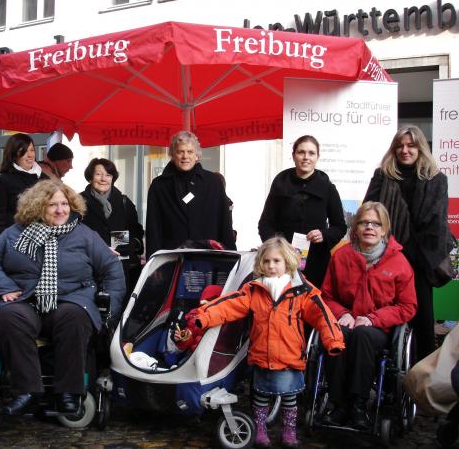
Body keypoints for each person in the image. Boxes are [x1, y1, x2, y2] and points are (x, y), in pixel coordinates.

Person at [0, 180, 125, 416]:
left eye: (64, 204)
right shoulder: (14, 233)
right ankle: (25, 391)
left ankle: (68, 392)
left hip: (71, 299)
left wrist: (109, 311)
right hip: (24, 300)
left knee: (76, 317)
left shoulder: (84, 234)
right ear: (37, 207)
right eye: (52, 205)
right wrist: (2, 286)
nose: (60, 210)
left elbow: (111, 269)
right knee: (8, 317)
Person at [186, 236, 344, 448]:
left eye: (276, 261)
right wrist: (203, 317)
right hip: (262, 355)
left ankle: (288, 430)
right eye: (267, 261)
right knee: (260, 396)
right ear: (261, 263)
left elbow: (322, 315)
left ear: (287, 262)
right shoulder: (254, 289)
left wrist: (333, 340)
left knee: (290, 398)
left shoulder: (302, 291)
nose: (271, 266)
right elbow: (228, 305)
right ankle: (260, 429)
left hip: (290, 356)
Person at [321, 201, 417, 429]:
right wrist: (343, 313)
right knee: (337, 335)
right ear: (355, 227)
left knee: (363, 335)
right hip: (346, 321)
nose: (369, 228)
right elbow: (325, 296)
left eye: (376, 223)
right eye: (364, 222)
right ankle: (338, 404)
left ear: (384, 229)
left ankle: (358, 404)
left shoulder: (398, 261)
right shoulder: (341, 256)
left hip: (377, 328)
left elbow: (407, 306)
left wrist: (374, 318)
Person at [364, 125, 454, 361]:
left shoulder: (436, 179)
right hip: (383, 259)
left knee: (422, 321)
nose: (405, 150)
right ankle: (383, 379)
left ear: (420, 148)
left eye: (411, 145)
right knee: (380, 316)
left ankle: (419, 380)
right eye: (400, 145)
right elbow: (369, 215)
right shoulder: (382, 176)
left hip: (420, 262)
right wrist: (386, 254)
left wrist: (405, 257)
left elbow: (435, 225)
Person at [258, 135, 347, 287]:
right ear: (293, 156)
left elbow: (340, 227)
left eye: (311, 153)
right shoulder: (280, 184)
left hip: (316, 263)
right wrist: (278, 246)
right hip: (281, 262)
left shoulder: (327, 188)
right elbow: (265, 224)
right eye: (301, 152)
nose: (306, 157)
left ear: (317, 157)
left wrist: (323, 235)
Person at [145, 130, 236, 258]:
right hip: (172, 258)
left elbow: (225, 222)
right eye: (180, 151)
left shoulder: (213, 182)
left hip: (209, 257)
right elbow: (153, 228)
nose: (185, 156)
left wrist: (231, 255)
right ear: (172, 155)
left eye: (190, 152)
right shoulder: (159, 185)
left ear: (197, 155)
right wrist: (153, 261)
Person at [81, 158, 144, 296]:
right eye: (98, 174)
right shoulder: (78, 202)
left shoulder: (124, 202)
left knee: (118, 309)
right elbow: (75, 235)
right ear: (90, 177)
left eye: (108, 175)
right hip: (88, 268)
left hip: (119, 268)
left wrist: (115, 246)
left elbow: (135, 232)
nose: (103, 179)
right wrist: (100, 248)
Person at [0, 133, 46, 239]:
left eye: (32, 150)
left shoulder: (44, 179)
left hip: (42, 241)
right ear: (13, 154)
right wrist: (4, 245)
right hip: (14, 241)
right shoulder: (2, 181)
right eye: (23, 151)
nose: (30, 155)